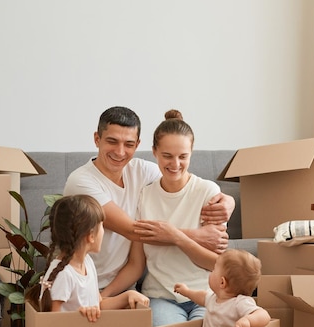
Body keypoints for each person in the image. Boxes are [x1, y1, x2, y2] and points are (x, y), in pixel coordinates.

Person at [63, 106, 235, 290]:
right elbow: (132, 231)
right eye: (112, 141)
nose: (120, 152)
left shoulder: (142, 171)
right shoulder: (81, 181)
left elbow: (182, 181)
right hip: (83, 283)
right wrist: (197, 236)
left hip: (124, 283)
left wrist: (228, 201)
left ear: (137, 144)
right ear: (97, 139)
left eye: (128, 144)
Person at [102, 109, 226, 327]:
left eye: (183, 157)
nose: (175, 164)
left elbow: (216, 264)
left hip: (206, 294)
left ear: (191, 153)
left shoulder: (208, 192)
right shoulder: (145, 196)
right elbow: (136, 263)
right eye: (167, 156)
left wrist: (176, 236)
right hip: (161, 297)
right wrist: (104, 294)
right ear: (154, 152)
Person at [25, 194, 149, 322]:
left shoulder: (88, 262)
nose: (103, 231)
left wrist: (127, 296)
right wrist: (80, 317)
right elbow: (53, 324)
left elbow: (99, 304)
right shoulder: (64, 275)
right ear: (90, 236)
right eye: (102, 226)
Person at [174, 249, 271, 327]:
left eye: (214, 270)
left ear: (222, 282)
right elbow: (201, 296)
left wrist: (248, 320)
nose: (211, 272)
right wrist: (186, 291)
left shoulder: (239, 302)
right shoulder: (213, 298)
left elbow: (264, 315)